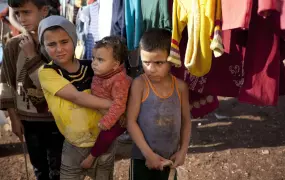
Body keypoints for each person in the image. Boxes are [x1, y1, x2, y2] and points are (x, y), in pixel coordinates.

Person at [38, 15, 117, 180]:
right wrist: (114, 105)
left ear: (74, 40)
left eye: (64, 42)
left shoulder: (92, 67)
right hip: (74, 145)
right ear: (43, 47)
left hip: (102, 141)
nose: (59, 49)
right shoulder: (47, 72)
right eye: (51, 44)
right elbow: (76, 97)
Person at [0, 0, 64, 179]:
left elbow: (55, 82)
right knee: (39, 169)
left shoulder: (57, 43)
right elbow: (6, 82)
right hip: (29, 121)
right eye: (18, 13)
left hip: (56, 119)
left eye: (26, 12)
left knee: (58, 169)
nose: (21, 18)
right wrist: (13, 118)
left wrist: (32, 56)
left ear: (43, 10)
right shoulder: (13, 45)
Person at [127, 28, 192, 180]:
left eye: (158, 63)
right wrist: (149, 155)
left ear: (171, 59)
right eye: (146, 62)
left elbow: (186, 121)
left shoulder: (180, 87)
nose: (151, 69)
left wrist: (183, 151)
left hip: (171, 160)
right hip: (142, 160)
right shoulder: (140, 84)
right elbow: (130, 122)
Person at [80, 36, 132, 169]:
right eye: (93, 58)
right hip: (103, 110)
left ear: (115, 64)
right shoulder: (103, 72)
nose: (94, 63)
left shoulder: (119, 81)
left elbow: (119, 106)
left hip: (118, 117)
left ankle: (92, 157)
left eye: (100, 60)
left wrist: (107, 122)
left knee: (107, 135)